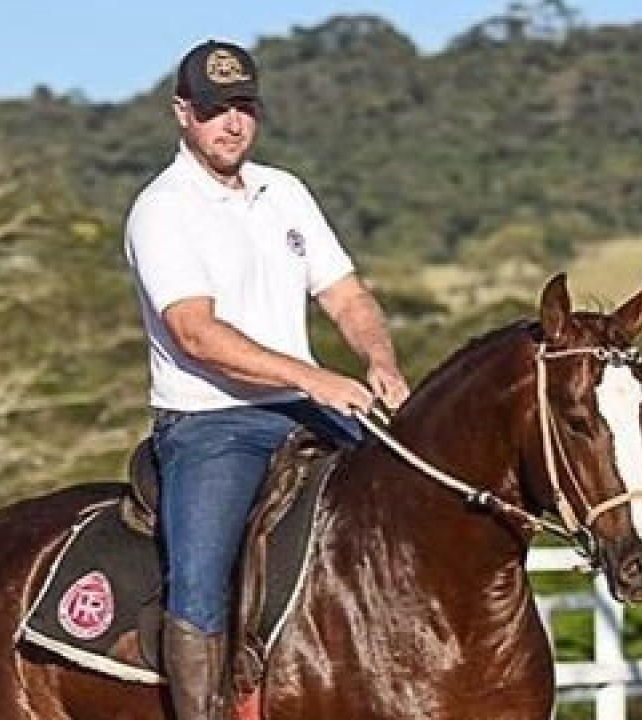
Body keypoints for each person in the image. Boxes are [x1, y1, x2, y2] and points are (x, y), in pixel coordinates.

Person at [123, 39, 410, 720]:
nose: (233, 123)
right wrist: (313, 377)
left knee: (410, 507)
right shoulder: (162, 209)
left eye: (244, 107)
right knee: (199, 586)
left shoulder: (285, 191)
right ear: (182, 113)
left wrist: (381, 360)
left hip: (309, 408)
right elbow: (196, 333)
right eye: (216, 108)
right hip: (211, 423)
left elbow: (345, 295)